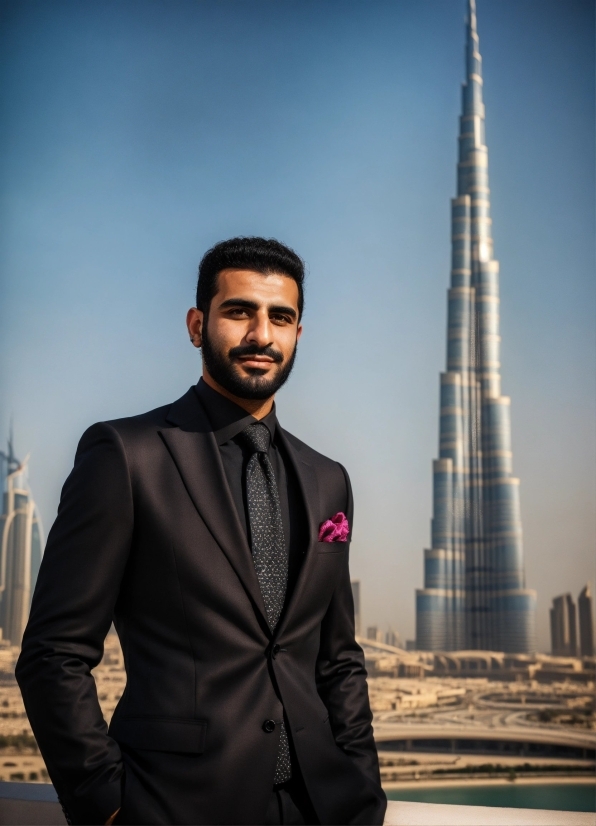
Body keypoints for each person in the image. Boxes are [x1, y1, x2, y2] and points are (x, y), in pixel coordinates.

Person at [16, 237, 386, 826]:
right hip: (175, 807)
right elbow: (53, 654)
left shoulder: (328, 481)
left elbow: (337, 658)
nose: (261, 334)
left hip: (326, 807)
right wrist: (109, 805)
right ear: (197, 325)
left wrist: (364, 790)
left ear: (298, 334)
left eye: (281, 317)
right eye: (239, 311)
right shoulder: (126, 456)